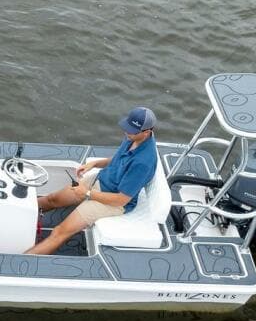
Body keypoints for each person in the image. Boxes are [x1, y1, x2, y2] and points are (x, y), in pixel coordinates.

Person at [26, 106, 159, 255]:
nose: (126, 132)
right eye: (126, 127)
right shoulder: (132, 137)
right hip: (100, 181)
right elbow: (118, 159)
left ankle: (23, 262)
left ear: (147, 132)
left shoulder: (143, 162)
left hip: (111, 202)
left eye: (131, 130)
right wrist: (94, 164)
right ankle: (21, 211)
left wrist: (87, 193)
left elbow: (121, 200)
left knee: (59, 232)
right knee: (52, 199)